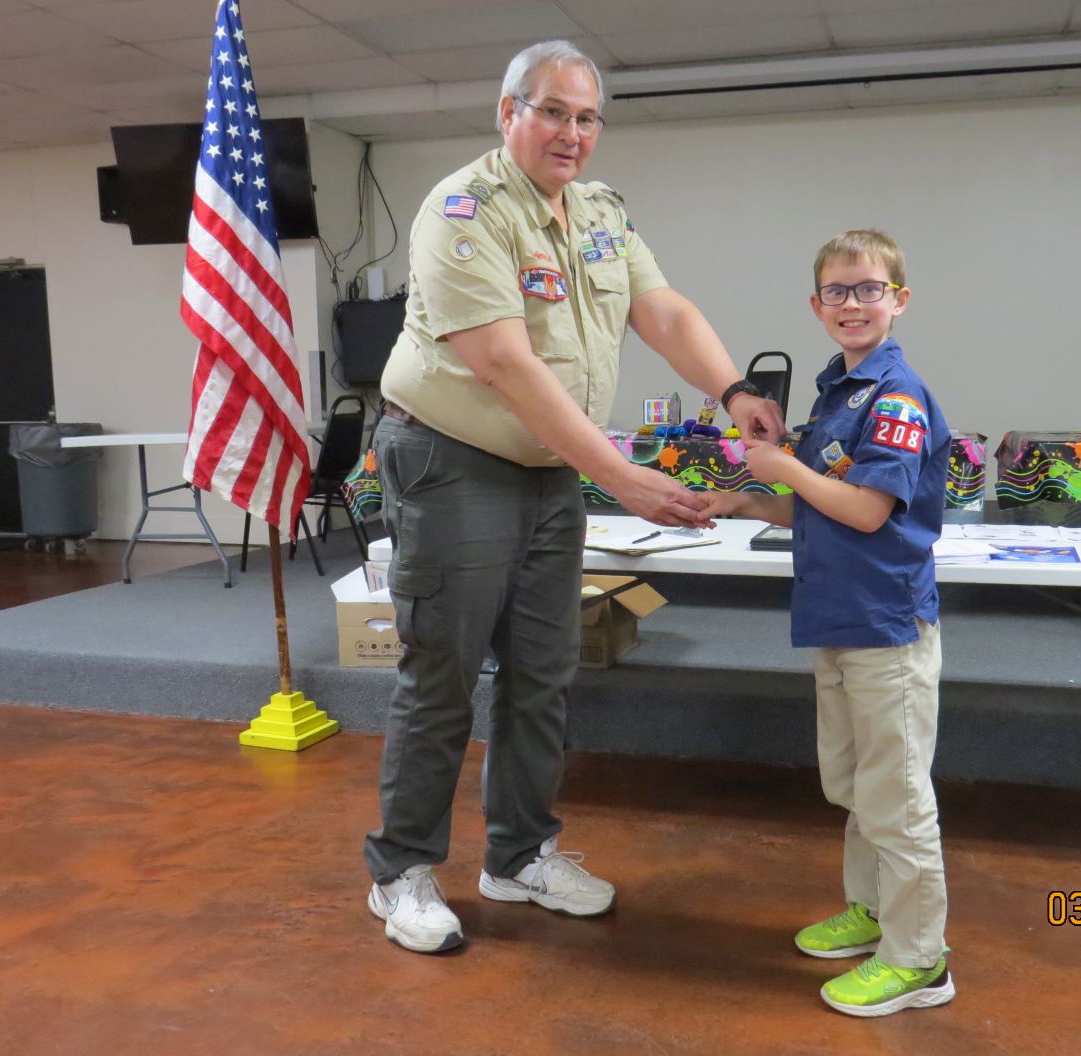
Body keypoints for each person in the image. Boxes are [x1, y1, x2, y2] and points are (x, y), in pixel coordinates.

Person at [365, 39, 786, 954]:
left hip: (550, 468)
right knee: (443, 674)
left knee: (543, 673)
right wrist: (620, 477)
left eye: (587, 117)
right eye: (552, 111)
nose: (572, 133)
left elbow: (661, 309)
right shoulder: (463, 210)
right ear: (507, 112)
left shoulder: (598, 211)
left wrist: (734, 391)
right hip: (454, 461)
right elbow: (504, 364)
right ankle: (400, 872)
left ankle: (518, 857)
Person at [702, 229, 953, 1017]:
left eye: (869, 288)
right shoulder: (838, 392)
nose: (853, 303)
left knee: (896, 796)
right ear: (816, 306)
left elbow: (869, 511)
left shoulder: (896, 395)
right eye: (837, 292)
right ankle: (872, 912)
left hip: (885, 623)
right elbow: (823, 504)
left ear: (898, 300)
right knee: (855, 783)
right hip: (839, 618)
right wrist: (748, 500)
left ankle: (919, 959)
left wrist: (783, 467)